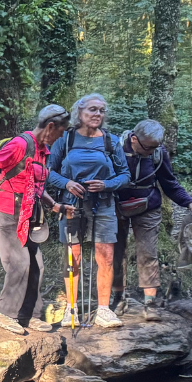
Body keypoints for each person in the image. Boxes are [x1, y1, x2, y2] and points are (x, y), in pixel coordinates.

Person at [0, 104, 69, 336]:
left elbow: (35, 185)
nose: (61, 136)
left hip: (29, 216)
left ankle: (28, 315)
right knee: (19, 263)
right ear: (50, 126)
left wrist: (55, 206)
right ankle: (3, 313)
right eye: (60, 131)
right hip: (6, 213)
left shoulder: (44, 151)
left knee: (37, 267)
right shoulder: (21, 145)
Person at [46, 93, 131, 329]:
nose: (97, 114)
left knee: (106, 257)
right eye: (93, 109)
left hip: (104, 203)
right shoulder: (66, 140)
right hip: (71, 204)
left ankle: (103, 310)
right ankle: (71, 310)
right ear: (79, 113)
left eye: (101, 111)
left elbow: (125, 175)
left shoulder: (111, 142)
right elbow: (47, 171)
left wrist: (107, 184)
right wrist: (67, 183)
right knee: (72, 257)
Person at [113, 119, 192, 320]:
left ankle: (150, 303)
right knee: (116, 253)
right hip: (116, 207)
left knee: (148, 253)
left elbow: (169, 183)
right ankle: (118, 298)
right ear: (134, 139)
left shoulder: (159, 153)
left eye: (155, 147)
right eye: (148, 147)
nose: (152, 151)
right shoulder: (114, 148)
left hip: (148, 206)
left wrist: (188, 202)